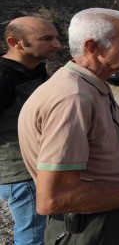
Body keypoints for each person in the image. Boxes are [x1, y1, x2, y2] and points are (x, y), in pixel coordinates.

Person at [18, 8, 119, 245]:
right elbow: (54, 198)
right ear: (94, 47)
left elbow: (92, 147)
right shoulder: (72, 97)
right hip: (88, 226)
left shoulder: (89, 83)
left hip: (104, 215)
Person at [1, 16, 60, 245]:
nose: (57, 44)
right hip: (20, 172)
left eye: (56, 37)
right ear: (16, 42)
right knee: (33, 236)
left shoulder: (35, 69)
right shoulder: (3, 77)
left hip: (41, 164)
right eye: (47, 39)